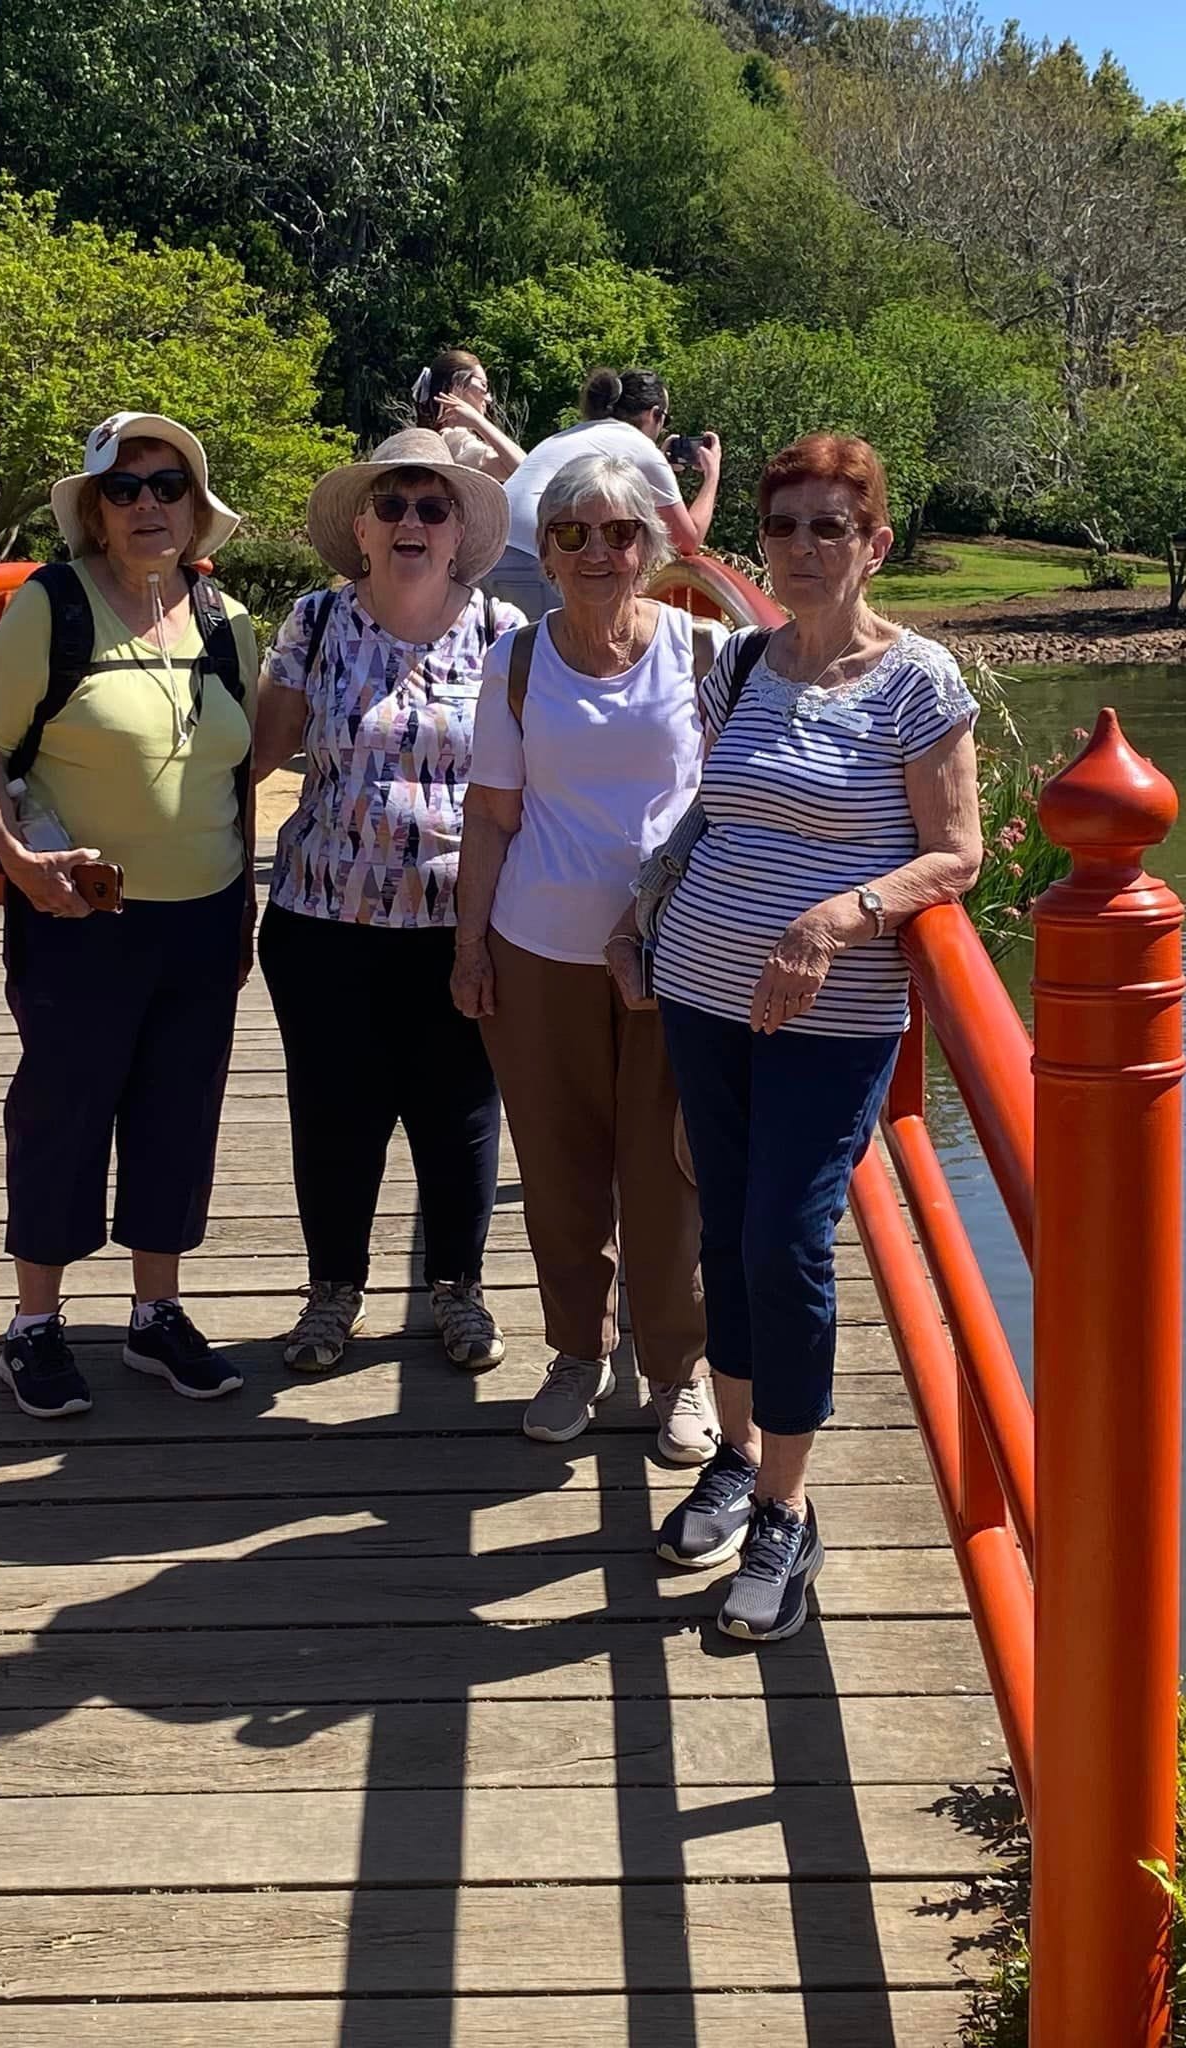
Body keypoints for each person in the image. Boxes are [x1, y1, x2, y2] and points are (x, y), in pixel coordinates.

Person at [642, 433, 983, 1641]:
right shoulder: (743, 661)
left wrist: (845, 914)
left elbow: (957, 850)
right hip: (700, 994)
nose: (800, 546)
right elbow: (715, 817)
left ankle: (787, 1506)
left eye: (828, 526)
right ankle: (736, 1452)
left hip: (831, 1019)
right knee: (726, 1228)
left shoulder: (919, 679)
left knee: (787, 1240)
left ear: (873, 544)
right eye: (783, 525)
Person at [0, 410, 259, 1419]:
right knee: (64, 1110)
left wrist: (244, 905)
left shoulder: (228, 621)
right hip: (79, 916)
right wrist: (17, 859)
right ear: (93, 509)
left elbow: (240, 770)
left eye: (166, 485)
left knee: (180, 1114)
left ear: (195, 505)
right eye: (122, 491)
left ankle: (154, 1311)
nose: (145, 507)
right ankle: (34, 1324)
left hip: (204, 915)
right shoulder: (52, 606)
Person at [453, 453, 723, 1465]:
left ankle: (678, 1370)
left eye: (619, 533)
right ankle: (576, 1351)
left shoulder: (705, 652)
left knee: (667, 1173)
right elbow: (490, 813)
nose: (598, 551)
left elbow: (734, 802)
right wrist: (470, 944)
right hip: (539, 947)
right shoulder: (516, 663)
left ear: (652, 549)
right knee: (560, 1168)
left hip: (674, 957)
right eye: (573, 533)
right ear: (548, 554)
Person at [252, 428, 526, 1371]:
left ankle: (459, 1289)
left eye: (433, 506)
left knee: (460, 1111)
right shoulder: (315, 623)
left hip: (461, 921)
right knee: (335, 1111)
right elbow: (250, 757)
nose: (412, 520)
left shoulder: (501, 637)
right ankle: (334, 1292)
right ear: (362, 527)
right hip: (324, 918)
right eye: (394, 504)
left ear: (457, 534)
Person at [487, 366, 722, 621]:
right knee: (564, 654)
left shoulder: (574, 434)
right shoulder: (641, 447)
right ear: (655, 414)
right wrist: (712, 475)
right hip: (535, 554)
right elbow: (688, 539)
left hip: (489, 547)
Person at [411, 350, 526, 480]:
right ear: (455, 387)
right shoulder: (457, 441)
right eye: (484, 386)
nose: (488, 399)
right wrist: (478, 422)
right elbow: (525, 469)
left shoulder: (437, 438)